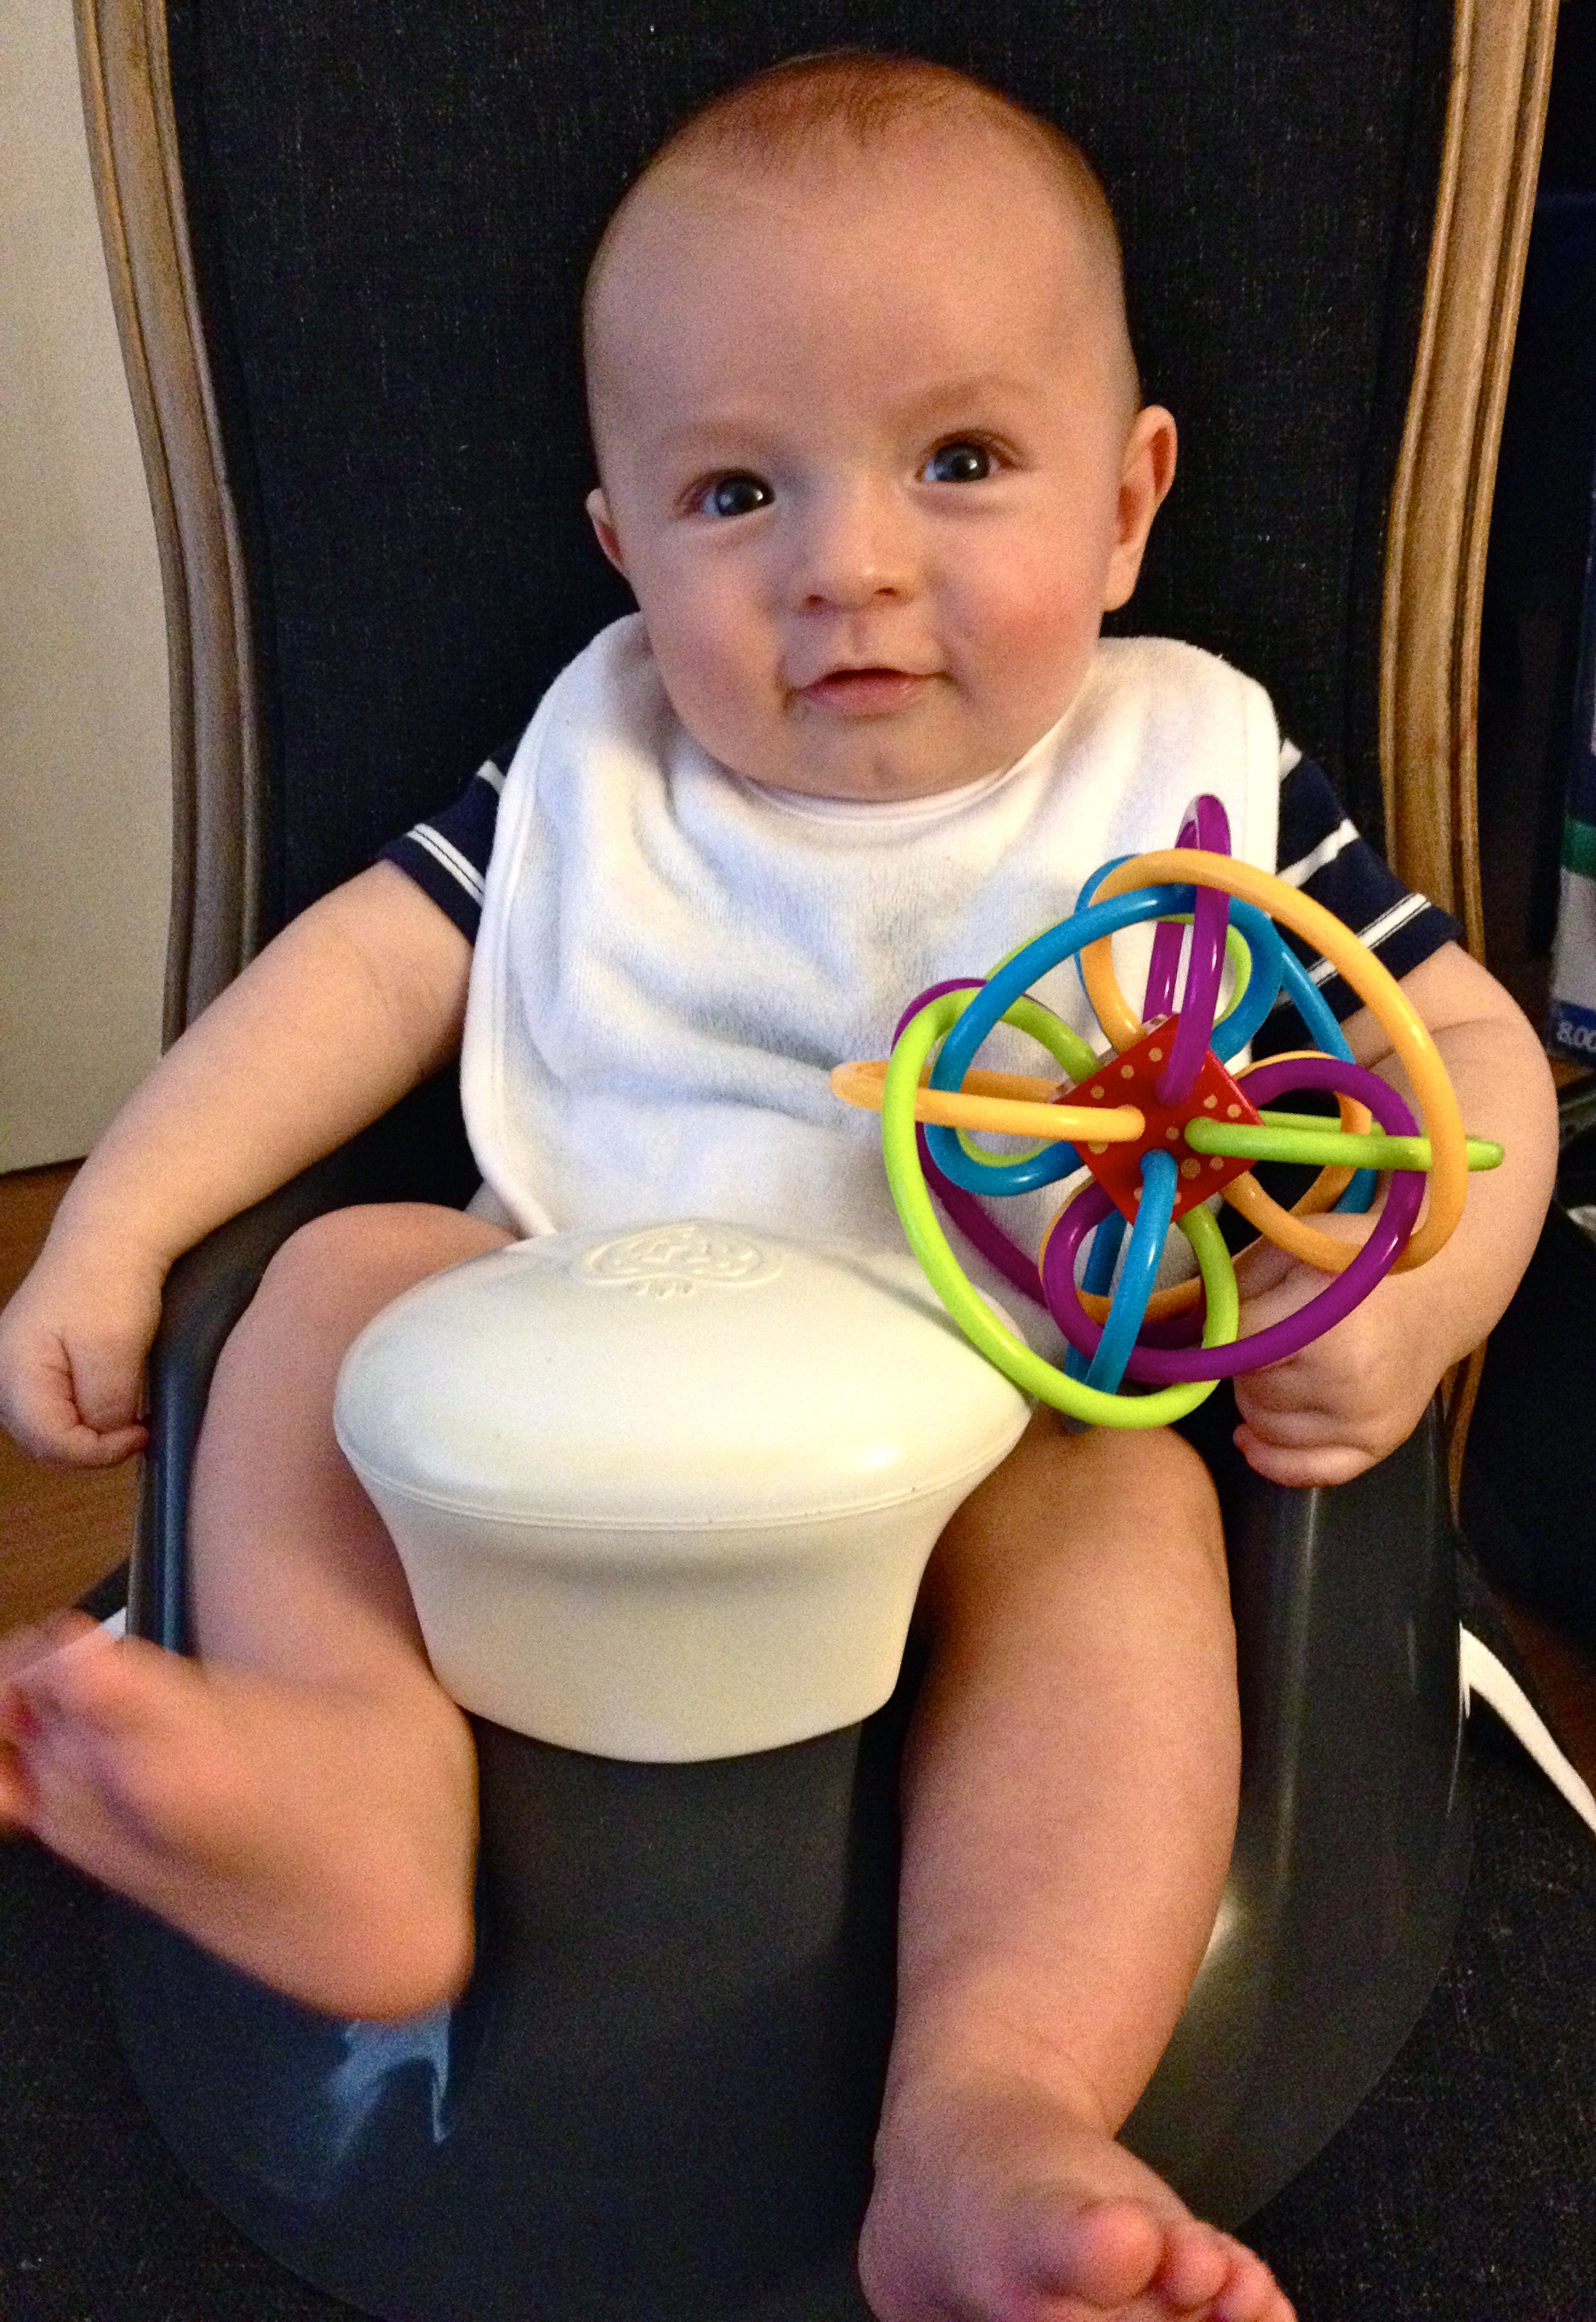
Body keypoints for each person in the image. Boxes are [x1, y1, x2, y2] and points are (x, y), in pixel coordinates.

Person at [0, 52, 1556, 2322]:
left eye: (960, 462)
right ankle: (350, 1794)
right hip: (574, 1350)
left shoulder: (1189, 776)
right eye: (734, 492)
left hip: (1005, 1399)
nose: (847, 564)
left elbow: (1474, 1067)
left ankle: (994, 2098)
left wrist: (1413, 1314)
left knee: (1124, 1534)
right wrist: (118, 1225)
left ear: (1127, 504)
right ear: (623, 546)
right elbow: (349, 978)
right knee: (337, 1283)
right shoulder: (603, 761)